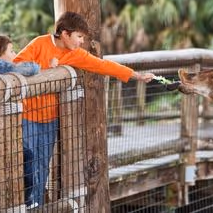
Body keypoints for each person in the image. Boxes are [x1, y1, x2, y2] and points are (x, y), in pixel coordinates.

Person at [13, 11, 155, 206]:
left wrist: (136, 75)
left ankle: (35, 206)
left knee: (42, 167)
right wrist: (45, 69)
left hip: (50, 120)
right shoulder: (39, 43)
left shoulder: (75, 54)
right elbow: (16, 66)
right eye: (79, 37)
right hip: (27, 117)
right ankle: (21, 205)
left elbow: (102, 65)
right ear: (65, 34)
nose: (81, 42)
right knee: (25, 165)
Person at [0, 35, 40, 211]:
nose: (15, 53)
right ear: (0, 54)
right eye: (11, 50)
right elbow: (31, 69)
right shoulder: (0, 68)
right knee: (26, 156)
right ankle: (26, 199)